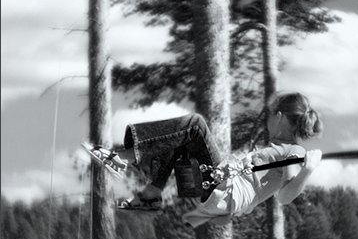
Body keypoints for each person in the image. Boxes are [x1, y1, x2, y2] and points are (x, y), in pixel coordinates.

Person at [85, 92, 323, 228]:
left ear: (279, 117)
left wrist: (307, 171)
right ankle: (150, 196)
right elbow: (262, 192)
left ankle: (123, 158)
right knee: (179, 141)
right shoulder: (277, 151)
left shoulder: (295, 152)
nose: (268, 121)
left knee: (195, 124)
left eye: (271, 116)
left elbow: (284, 196)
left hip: (219, 190)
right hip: (209, 194)